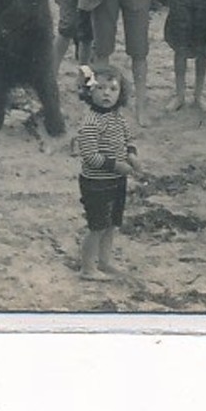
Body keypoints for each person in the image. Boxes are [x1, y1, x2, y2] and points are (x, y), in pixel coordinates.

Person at [74, 64, 144, 281]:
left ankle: (104, 261)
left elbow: (128, 139)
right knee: (97, 226)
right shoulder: (90, 122)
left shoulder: (117, 117)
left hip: (117, 181)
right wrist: (115, 165)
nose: (106, 93)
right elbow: (90, 156)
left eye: (113, 89)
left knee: (112, 224)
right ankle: (87, 268)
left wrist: (131, 154)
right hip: (96, 182)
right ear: (89, 91)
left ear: (121, 93)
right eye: (100, 88)